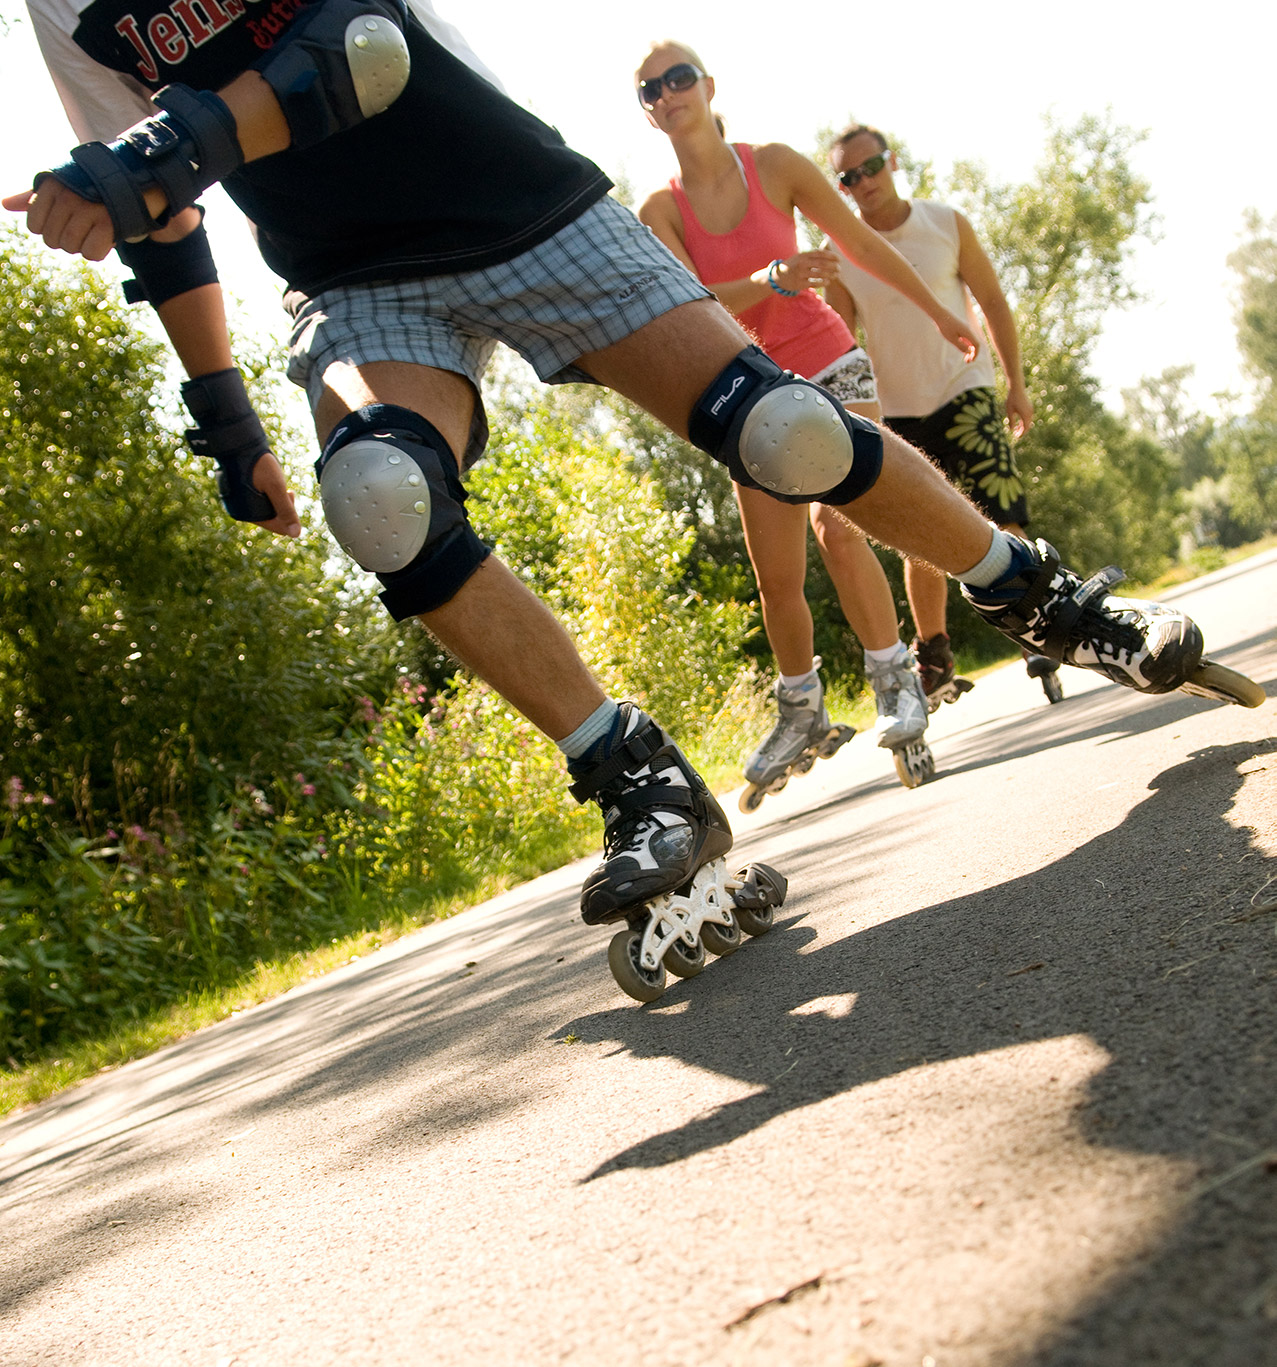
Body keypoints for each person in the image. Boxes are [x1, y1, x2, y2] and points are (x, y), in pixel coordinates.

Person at [6, 0, 1208, 944]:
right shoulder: (64, 8)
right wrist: (223, 414)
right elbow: (161, 218)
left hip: (519, 203)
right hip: (353, 279)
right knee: (379, 497)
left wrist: (153, 154)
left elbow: (352, 48)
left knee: (781, 431)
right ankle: (636, 777)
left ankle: (1038, 594)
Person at [634, 40, 959, 780]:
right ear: (649, 114)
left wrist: (936, 312)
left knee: (839, 528)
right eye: (649, 89)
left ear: (709, 87)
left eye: (678, 78)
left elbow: (858, 242)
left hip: (827, 360)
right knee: (775, 576)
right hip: (744, 383)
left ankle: (896, 682)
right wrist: (769, 276)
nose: (666, 92)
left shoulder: (774, 165)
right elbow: (688, 304)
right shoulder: (660, 210)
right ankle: (801, 708)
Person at [825, 123, 1063, 700]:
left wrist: (1017, 384)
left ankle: (1041, 629)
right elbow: (836, 345)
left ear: (893, 162)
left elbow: (993, 302)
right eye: (847, 178)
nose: (863, 183)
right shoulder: (841, 255)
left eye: (871, 167)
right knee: (919, 535)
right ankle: (933, 654)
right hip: (895, 413)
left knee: (1004, 513)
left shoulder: (944, 223)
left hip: (968, 389)